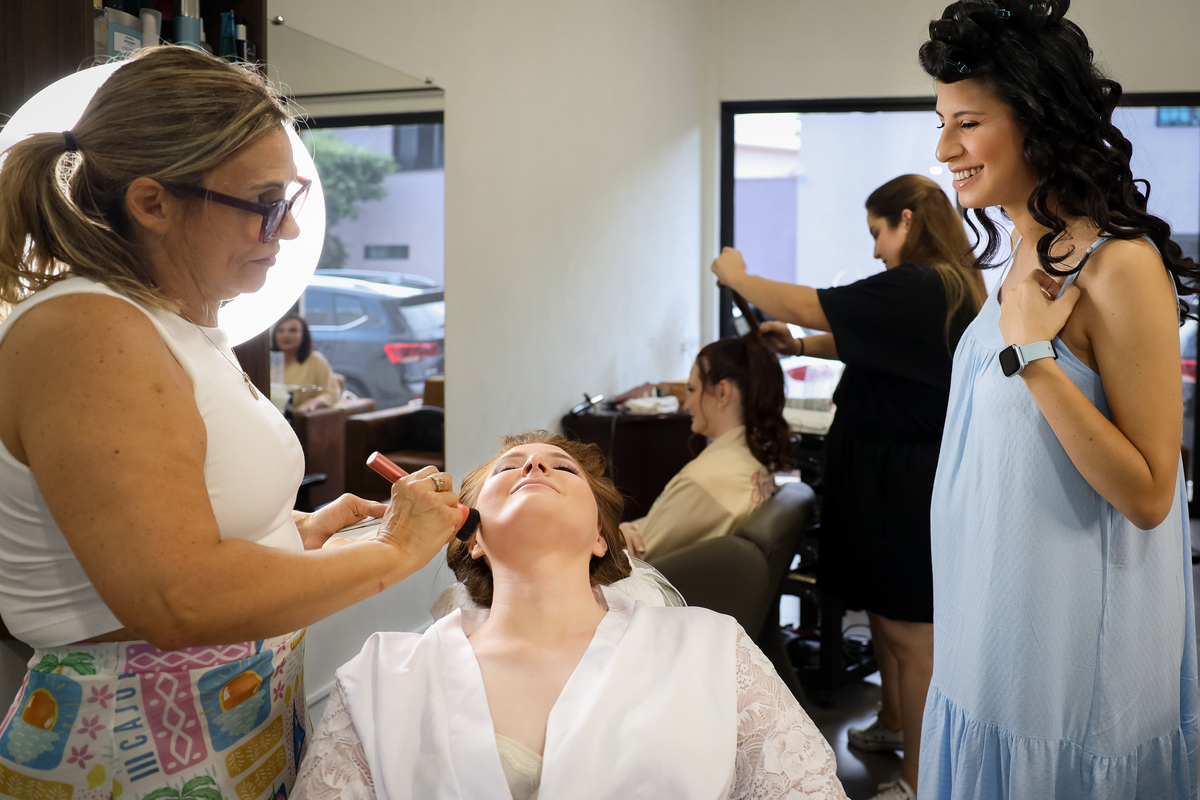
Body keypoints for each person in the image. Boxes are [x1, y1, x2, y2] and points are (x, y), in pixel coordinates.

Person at [0, 47, 461, 798]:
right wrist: (396, 551)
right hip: (130, 745)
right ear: (153, 203)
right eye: (265, 203)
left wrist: (295, 537)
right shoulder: (85, 333)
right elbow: (179, 599)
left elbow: (178, 528)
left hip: (227, 726)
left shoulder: (174, 327)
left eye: (291, 199)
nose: (287, 231)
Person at [916, 2, 1200, 798]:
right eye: (941, 124)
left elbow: (1151, 495)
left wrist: (1036, 359)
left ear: (1037, 120)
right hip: (989, 637)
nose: (944, 149)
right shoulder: (1020, 256)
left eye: (968, 123)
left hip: (1069, 677)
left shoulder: (1118, 265)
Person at [293, 431, 848, 800]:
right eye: (508, 469)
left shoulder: (712, 648)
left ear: (602, 538)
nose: (535, 464)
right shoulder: (381, 678)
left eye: (563, 468)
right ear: (473, 538)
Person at [713, 174, 986, 800]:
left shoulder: (922, 283)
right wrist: (800, 344)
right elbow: (870, 340)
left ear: (907, 219)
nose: (875, 249)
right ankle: (895, 722)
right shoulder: (935, 287)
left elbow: (815, 303)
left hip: (905, 483)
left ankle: (918, 780)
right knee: (886, 622)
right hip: (884, 473)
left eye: (877, 232)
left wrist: (738, 277)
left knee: (911, 634)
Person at [620, 336, 790, 561]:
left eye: (691, 389)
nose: (686, 403)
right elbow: (671, 525)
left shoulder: (704, 481)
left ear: (723, 393)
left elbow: (639, 556)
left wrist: (618, 535)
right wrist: (631, 529)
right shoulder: (756, 460)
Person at [273, 312, 340, 412]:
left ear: (304, 335)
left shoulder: (315, 360)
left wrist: (312, 403)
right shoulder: (268, 362)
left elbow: (332, 394)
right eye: (281, 330)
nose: (286, 335)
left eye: (293, 330)